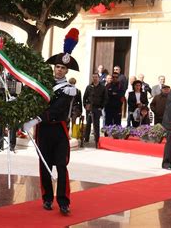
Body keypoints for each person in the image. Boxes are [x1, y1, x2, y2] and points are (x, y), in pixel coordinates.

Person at [23, 28, 80, 215]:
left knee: (61, 166)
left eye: (63, 68)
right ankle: (47, 198)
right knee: (44, 165)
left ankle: (63, 201)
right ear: (53, 67)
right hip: (43, 132)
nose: (59, 70)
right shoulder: (43, 84)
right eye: (57, 67)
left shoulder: (69, 89)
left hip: (59, 130)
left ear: (66, 70)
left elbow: (58, 110)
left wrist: (36, 119)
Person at [83, 73, 108, 147]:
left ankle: (97, 139)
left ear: (99, 78)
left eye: (96, 77)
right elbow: (85, 97)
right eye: (93, 77)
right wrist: (85, 105)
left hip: (97, 108)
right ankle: (86, 138)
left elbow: (105, 98)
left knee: (96, 124)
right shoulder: (89, 87)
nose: (94, 78)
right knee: (88, 123)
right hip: (89, 108)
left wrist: (101, 107)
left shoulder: (103, 87)